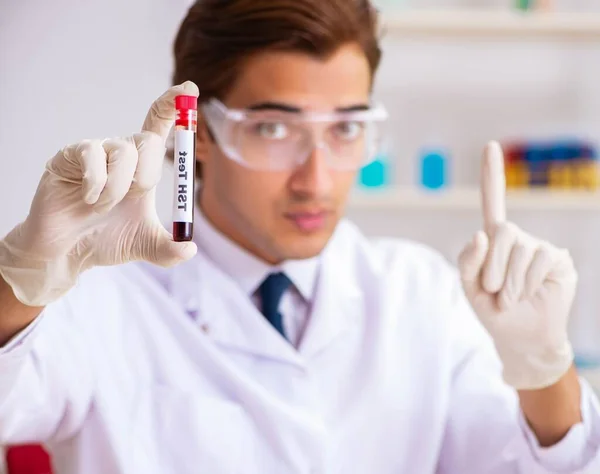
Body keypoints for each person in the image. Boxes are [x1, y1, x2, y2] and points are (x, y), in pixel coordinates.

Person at [0, 0, 599, 472]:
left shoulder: (420, 292)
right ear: (198, 134)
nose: (316, 179)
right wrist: (21, 278)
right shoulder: (103, 298)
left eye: (345, 129)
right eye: (272, 128)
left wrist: (544, 367)